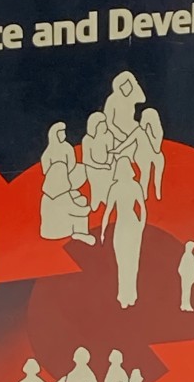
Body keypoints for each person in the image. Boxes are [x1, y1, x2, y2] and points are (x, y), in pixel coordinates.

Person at [100, 157, 146, 308]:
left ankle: (127, 296)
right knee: (129, 261)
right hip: (129, 224)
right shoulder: (132, 186)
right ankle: (127, 296)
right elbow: (142, 209)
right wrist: (141, 225)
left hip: (126, 225)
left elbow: (108, 212)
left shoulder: (119, 187)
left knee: (126, 262)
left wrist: (103, 231)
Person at [113, 107, 165, 201]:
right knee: (145, 172)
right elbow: (128, 142)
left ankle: (157, 191)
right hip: (142, 154)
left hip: (155, 153)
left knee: (159, 160)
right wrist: (118, 150)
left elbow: (156, 149)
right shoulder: (139, 131)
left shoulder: (158, 131)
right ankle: (143, 193)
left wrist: (149, 133)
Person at [40, 160, 95, 244]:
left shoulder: (46, 196)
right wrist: (88, 208)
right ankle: (81, 233)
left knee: (81, 201)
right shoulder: (63, 196)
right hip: (60, 232)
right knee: (80, 212)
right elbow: (76, 211)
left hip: (46, 231)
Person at [81, 112, 114, 211]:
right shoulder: (87, 140)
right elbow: (87, 160)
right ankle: (96, 201)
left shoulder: (109, 135)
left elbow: (111, 152)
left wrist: (108, 163)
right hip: (93, 168)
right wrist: (102, 166)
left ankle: (107, 200)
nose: (105, 125)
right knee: (96, 186)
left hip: (108, 166)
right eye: (102, 123)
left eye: (105, 122)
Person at [40, 121, 86, 189]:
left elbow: (72, 162)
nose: (64, 135)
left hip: (69, 174)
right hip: (56, 178)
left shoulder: (67, 147)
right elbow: (45, 170)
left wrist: (66, 173)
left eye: (63, 133)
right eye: (61, 134)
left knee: (82, 168)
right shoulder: (47, 153)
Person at [103, 71, 146, 142]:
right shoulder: (112, 99)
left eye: (130, 83)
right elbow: (108, 122)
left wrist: (135, 84)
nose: (127, 87)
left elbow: (142, 98)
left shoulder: (131, 97)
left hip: (131, 128)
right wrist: (118, 134)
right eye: (124, 84)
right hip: (118, 132)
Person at [178, 241, 194, 311]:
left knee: (187, 291)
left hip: (189, 278)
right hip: (186, 277)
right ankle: (185, 305)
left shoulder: (189, 255)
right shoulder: (187, 256)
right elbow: (180, 268)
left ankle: (185, 305)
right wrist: (184, 275)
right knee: (186, 291)